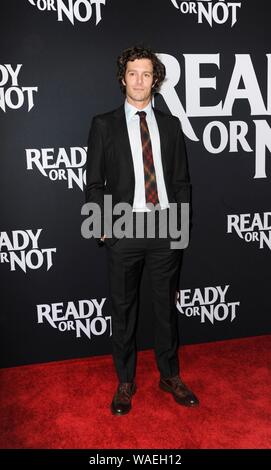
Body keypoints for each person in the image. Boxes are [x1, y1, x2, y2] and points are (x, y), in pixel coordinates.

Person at [85, 45, 199, 415]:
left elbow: (182, 181)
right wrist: (101, 223)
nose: (139, 80)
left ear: (156, 80)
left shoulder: (170, 124)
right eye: (133, 73)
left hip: (166, 224)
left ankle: (170, 375)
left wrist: (181, 222)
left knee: (166, 307)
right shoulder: (104, 124)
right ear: (123, 79)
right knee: (123, 309)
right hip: (123, 225)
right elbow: (94, 182)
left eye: (146, 74)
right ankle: (125, 382)